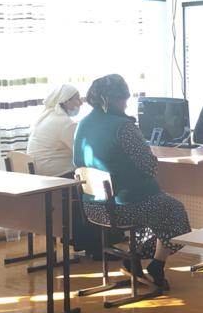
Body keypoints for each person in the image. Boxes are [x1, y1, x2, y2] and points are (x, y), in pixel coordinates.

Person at [72, 74, 191, 290]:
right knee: (174, 210)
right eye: (123, 100)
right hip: (123, 208)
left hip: (92, 207)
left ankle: (132, 259)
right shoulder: (123, 127)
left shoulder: (83, 124)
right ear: (110, 100)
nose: (126, 105)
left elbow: (77, 162)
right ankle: (156, 265)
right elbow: (149, 166)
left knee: (156, 209)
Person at [27, 83, 82, 176]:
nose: (81, 103)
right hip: (56, 176)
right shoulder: (64, 122)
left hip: (39, 174)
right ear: (65, 101)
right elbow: (81, 152)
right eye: (77, 99)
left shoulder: (45, 117)